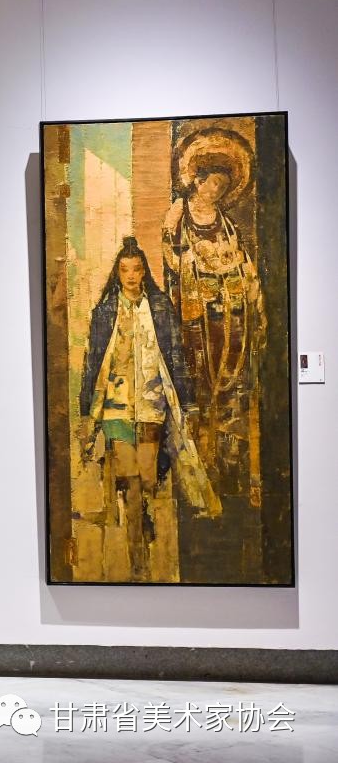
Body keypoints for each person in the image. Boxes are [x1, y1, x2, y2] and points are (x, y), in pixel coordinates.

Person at [79, 237, 216, 580]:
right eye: (125, 269)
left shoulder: (159, 308)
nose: (131, 275)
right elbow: (92, 361)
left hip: (152, 403)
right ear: (117, 273)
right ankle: (138, 558)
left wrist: (188, 402)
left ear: (144, 272)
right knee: (130, 480)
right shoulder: (105, 311)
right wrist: (85, 410)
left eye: (136, 269)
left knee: (148, 477)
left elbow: (176, 355)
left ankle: (142, 517)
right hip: (115, 406)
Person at [162, 127, 265, 503]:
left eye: (222, 186)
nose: (216, 191)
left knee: (231, 378)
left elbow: (238, 256)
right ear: (198, 180)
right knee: (200, 378)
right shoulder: (179, 212)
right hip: (196, 310)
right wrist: (196, 262)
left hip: (227, 307)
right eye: (213, 184)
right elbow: (171, 258)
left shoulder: (224, 220)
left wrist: (243, 279)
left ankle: (229, 463)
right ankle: (200, 459)